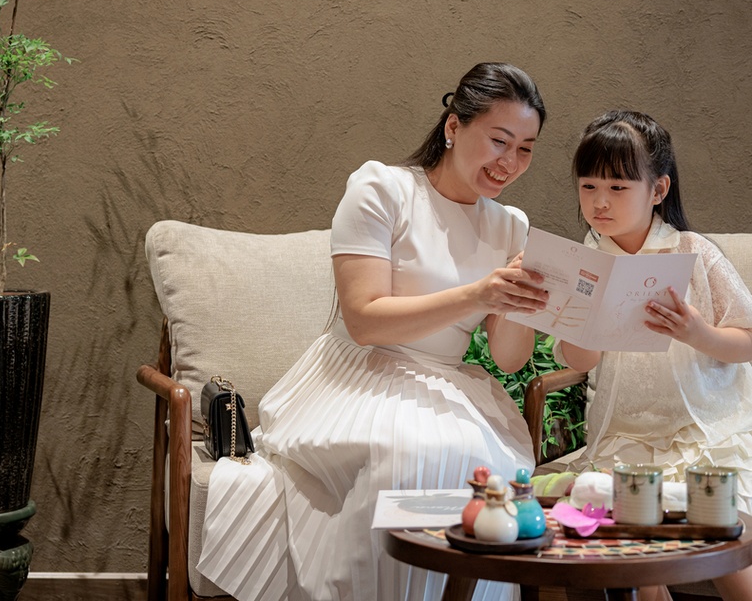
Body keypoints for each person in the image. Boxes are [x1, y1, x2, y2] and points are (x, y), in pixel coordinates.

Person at [197, 62, 550, 601]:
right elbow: (364, 321)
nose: (510, 162)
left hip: (449, 384)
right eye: (499, 140)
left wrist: (526, 302)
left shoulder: (511, 226)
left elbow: (507, 360)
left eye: (525, 149)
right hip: (362, 373)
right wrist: (479, 294)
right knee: (409, 456)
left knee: (484, 467)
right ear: (453, 126)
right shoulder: (382, 189)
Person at [557, 110, 752, 601]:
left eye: (618, 187)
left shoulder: (692, 251)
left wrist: (698, 333)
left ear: (659, 189)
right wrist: (589, 325)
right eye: (588, 186)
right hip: (625, 436)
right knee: (638, 550)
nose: (599, 202)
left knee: (720, 537)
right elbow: (578, 361)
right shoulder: (585, 262)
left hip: (706, 430)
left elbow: (747, 338)